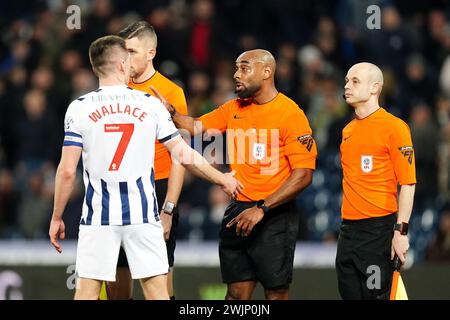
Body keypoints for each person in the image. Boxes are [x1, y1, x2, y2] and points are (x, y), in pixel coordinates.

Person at [48, 35, 242, 300]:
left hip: (98, 218)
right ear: (120, 65)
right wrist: (222, 179)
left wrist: (57, 216)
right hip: (143, 216)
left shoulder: (78, 108)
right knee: (157, 294)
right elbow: (184, 154)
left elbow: (67, 170)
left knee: (87, 293)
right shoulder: (149, 104)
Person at [152, 49, 317, 300]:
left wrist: (262, 208)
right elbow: (197, 126)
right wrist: (172, 113)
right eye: (236, 68)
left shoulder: (290, 114)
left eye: (244, 68)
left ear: (266, 71)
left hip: (274, 215)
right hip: (238, 211)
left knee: (276, 295)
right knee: (235, 295)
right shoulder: (234, 108)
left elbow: (304, 175)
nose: (236, 74)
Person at [103, 21, 188, 300]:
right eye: (122, 52)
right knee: (116, 285)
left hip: (157, 189)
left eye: (132, 52)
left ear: (151, 53)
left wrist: (168, 210)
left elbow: (180, 156)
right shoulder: (113, 87)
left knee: (160, 290)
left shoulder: (171, 93)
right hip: (118, 192)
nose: (125, 59)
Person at [336, 62, 416, 300]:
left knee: (376, 296)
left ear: (375, 88)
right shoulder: (347, 131)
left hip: (377, 232)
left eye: (355, 81)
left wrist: (400, 231)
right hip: (347, 231)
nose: (347, 86)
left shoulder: (394, 128)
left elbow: (408, 183)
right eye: (347, 81)